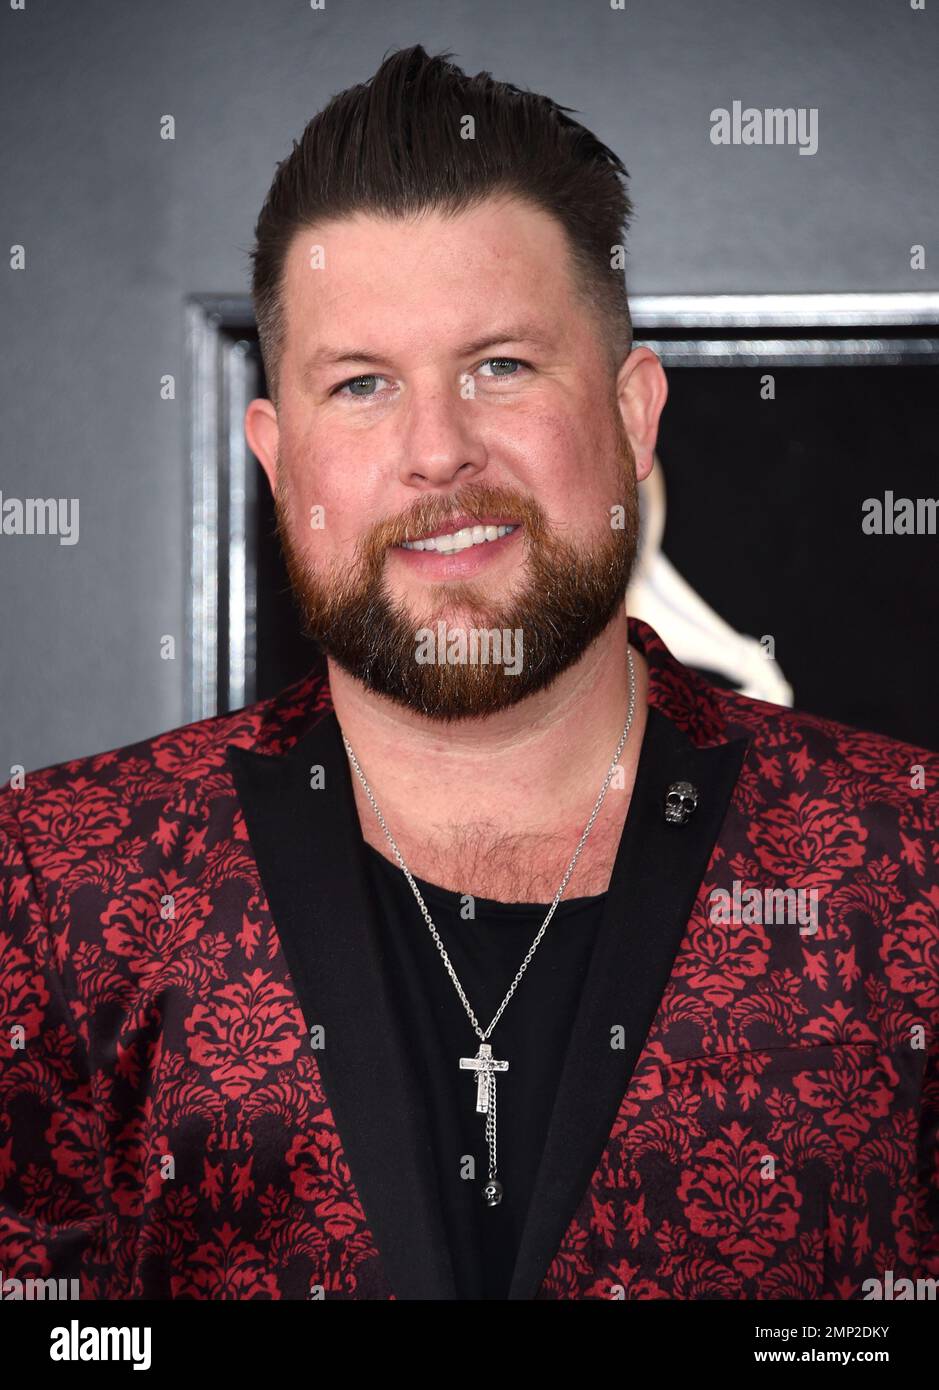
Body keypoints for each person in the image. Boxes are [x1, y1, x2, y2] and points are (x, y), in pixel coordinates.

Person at [1, 44, 936, 1302]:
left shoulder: (909, 865)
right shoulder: (52, 885)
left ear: (633, 413)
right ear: (279, 459)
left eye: (501, 365)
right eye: (363, 384)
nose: (437, 450)